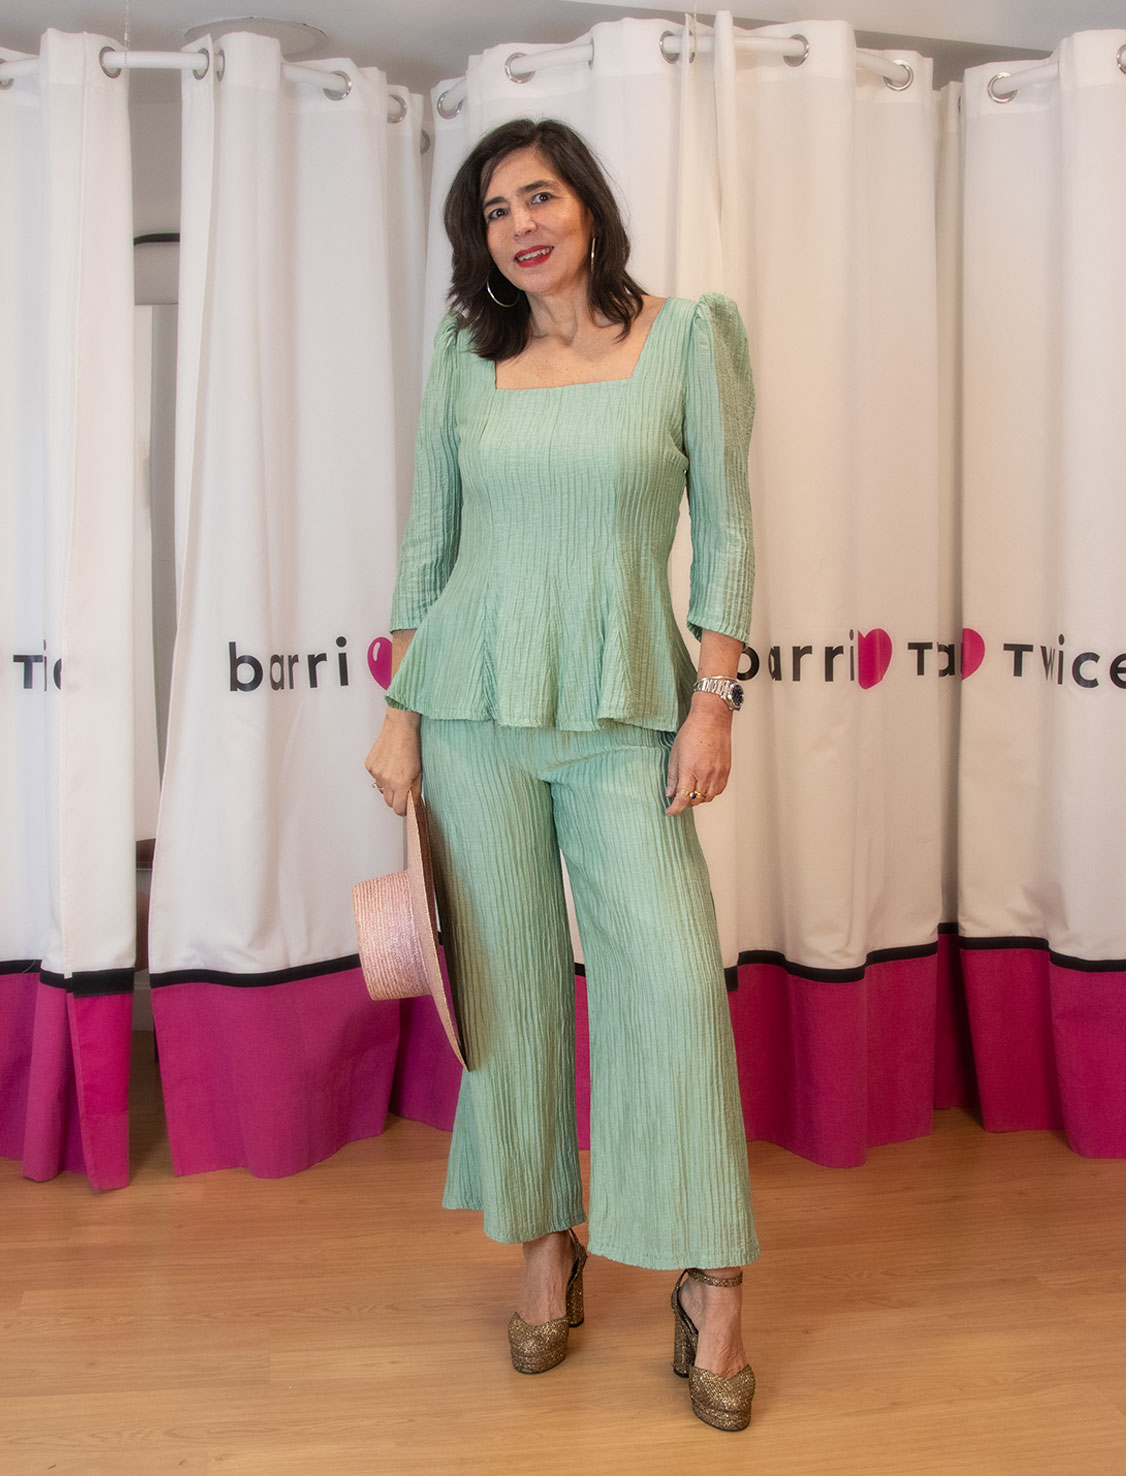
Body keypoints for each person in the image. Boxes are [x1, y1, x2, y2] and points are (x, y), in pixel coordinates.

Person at [365, 116, 759, 1432]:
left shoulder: (690, 338)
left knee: (673, 986)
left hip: (630, 707)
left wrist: (713, 703)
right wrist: (400, 714)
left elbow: (731, 534)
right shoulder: (465, 357)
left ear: (587, 204)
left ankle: (711, 1281)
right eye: (494, 211)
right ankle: (547, 1245)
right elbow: (427, 545)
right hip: (470, 712)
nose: (520, 225)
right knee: (510, 993)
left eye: (539, 196)